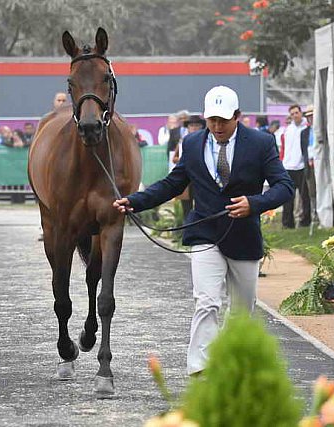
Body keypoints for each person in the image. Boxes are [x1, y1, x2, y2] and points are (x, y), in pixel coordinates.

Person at [113, 86, 294, 376]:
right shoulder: (193, 143)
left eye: (224, 120)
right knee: (207, 301)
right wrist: (135, 201)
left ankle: (236, 364)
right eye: (212, 120)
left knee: (241, 308)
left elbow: (285, 186)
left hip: (244, 237)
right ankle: (200, 368)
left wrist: (254, 204)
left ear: (238, 116)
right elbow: (173, 183)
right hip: (205, 233)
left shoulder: (261, 143)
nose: (217, 126)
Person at [280, 104, 310, 229]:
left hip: (301, 166)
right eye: (292, 114)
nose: (294, 116)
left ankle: (305, 220)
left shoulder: (306, 128)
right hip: (288, 166)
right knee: (287, 197)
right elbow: (284, 148)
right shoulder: (288, 130)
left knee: (305, 196)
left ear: (300, 113)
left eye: (296, 113)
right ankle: (288, 222)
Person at [172, 115, 207, 219]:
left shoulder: (206, 140)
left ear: (202, 127)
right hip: (186, 179)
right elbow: (174, 158)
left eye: (197, 125)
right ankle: (186, 228)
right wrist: (183, 159)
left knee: (202, 205)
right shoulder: (183, 141)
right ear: (188, 127)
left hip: (201, 178)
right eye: (192, 125)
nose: (194, 128)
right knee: (186, 207)